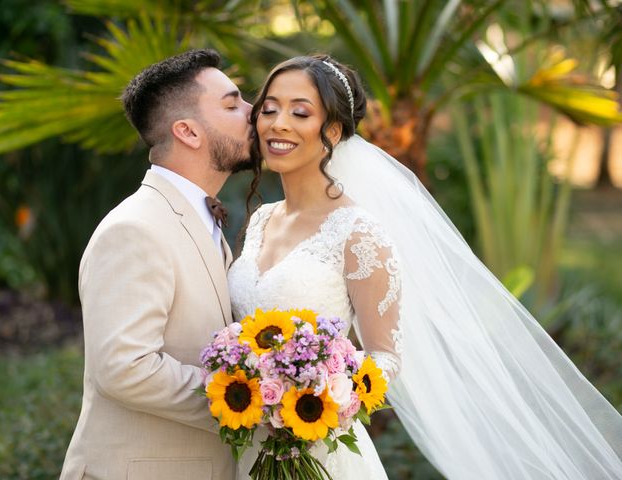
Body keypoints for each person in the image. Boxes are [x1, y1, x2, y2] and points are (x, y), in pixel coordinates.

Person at [228, 54, 622, 479]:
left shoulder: (357, 233)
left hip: (317, 450)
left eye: (299, 112)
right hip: (241, 440)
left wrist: (317, 390)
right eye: (268, 109)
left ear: (334, 131)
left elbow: (385, 356)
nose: (278, 123)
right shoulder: (262, 218)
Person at [60, 49, 254, 480]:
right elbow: (125, 367)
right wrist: (249, 401)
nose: (254, 112)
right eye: (233, 103)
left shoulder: (199, 219)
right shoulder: (135, 229)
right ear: (187, 131)